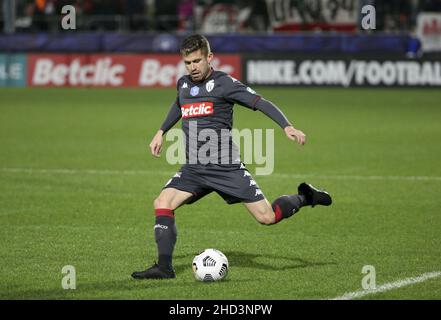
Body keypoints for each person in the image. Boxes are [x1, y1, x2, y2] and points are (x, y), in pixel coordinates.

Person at [132, 34, 332, 279]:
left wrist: (287, 126)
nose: (192, 67)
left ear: (209, 57)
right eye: (187, 62)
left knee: (267, 217)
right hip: (194, 168)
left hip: (226, 168)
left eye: (197, 61)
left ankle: (305, 197)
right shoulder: (184, 84)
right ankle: (164, 268)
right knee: (162, 202)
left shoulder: (225, 84)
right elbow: (179, 105)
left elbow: (261, 102)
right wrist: (161, 131)